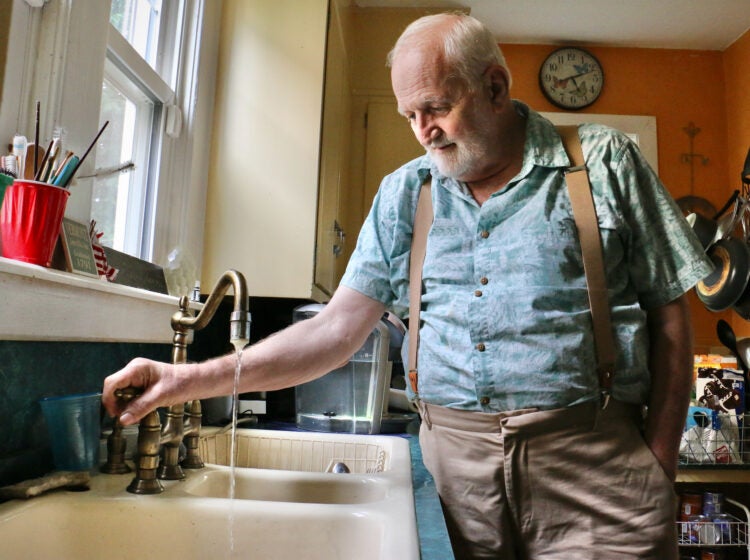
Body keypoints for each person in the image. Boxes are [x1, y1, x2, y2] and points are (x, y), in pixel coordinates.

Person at [103, 13, 713, 560]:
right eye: (409, 116)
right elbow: (336, 330)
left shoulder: (603, 162)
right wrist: (184, 380)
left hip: (596, 471)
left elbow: (670, 315)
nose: (423, 130)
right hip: (456, 483)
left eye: (437, 108)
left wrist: (659, 460)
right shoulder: (405, 192)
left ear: (495, 87)